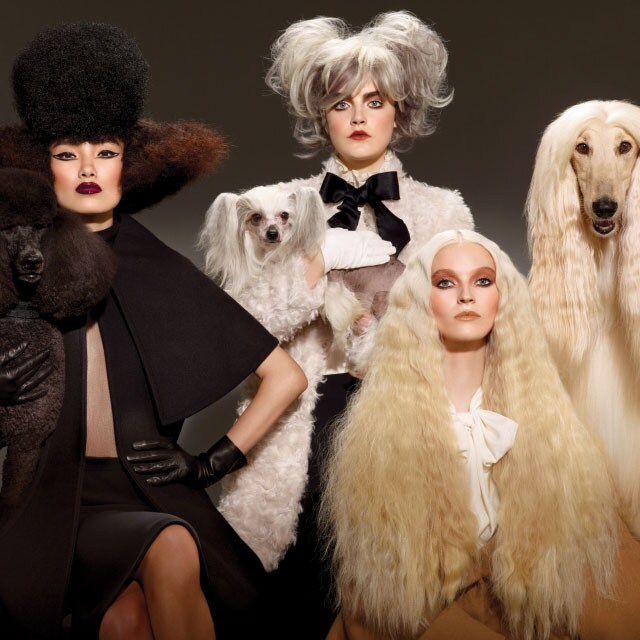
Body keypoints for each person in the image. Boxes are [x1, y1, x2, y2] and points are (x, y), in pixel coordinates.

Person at [0, 22, 306, 640]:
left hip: (148, 494)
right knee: (168, 551)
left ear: (127, 168)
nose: (88, 167)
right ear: (44, 167)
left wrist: (210, 463)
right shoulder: (16, 260)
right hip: (48, 500)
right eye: (68, 154)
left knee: (128, 622)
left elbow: (285, 376)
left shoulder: (155, 266)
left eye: (106, 153)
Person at [201, 11, 474, 638]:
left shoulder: (443, 211)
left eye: (374, 102)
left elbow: (462, 329)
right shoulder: (276, 205)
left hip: (403, 411)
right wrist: (317, 264)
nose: (357, 117)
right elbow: (240, 330)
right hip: (298, 417)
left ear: (399, 113)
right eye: (340, 103)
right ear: (320, 116)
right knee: (279, 596)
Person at [322, 229, 640, 640]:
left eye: (483, 281)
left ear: (503, 296)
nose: (466, 296)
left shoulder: (548, 419)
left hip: (526, 604)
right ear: (421, 300)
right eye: (445, 283)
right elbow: (382, 578)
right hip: (431, 614)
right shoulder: (382, 431)